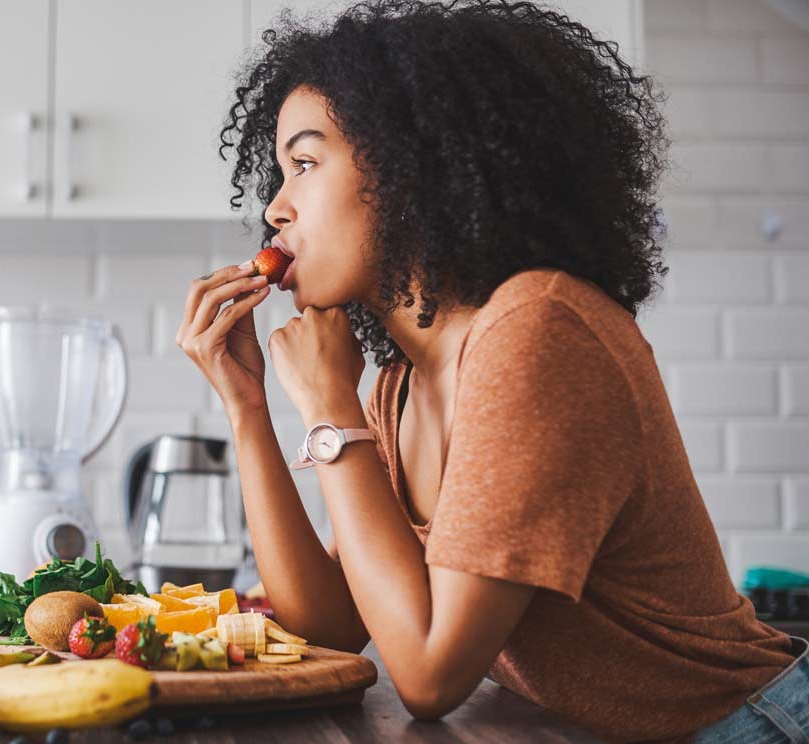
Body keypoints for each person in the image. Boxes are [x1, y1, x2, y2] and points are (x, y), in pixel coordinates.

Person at [175, 1, 807, 742]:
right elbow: (334, 625)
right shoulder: (397, 386)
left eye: (306, 163)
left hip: (750, 727)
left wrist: (326, 409)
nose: (276, 208)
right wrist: (248, 409)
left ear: (413, 168)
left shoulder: (538, 330)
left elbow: (429, 675)